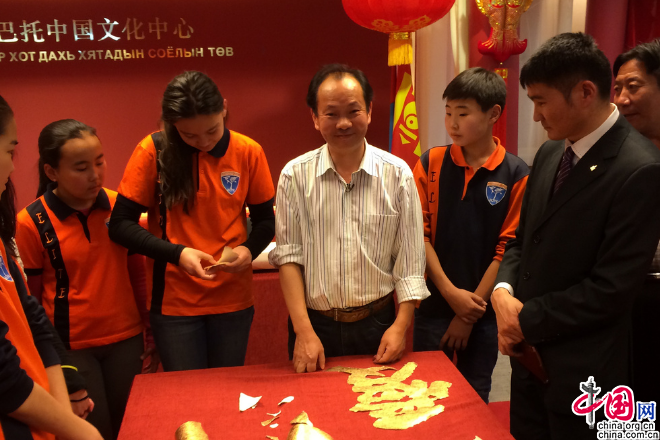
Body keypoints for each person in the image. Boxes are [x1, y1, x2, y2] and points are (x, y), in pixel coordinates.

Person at [491, 33, 660, 439]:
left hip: (586, 374)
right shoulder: (552, 152)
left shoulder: (640, 169)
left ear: (585, 92)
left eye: (541, 101)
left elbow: (611, 289)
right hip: (528, 362)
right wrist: (502, 289)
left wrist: (523, 318)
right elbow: (523, 239)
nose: (536, 116)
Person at [109, 71, 275, 372]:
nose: (204, 142)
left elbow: (265, 220)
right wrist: (178, 254)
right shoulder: (153, 150)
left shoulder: (248, 151)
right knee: (185, 392)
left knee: (227, 389)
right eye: (189, 135)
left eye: (212, 130)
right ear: (172, 125)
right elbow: (120, 225)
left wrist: (248, 250)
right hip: (174, 304)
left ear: (224, 108)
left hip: (232, 299)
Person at [268, 64, 429, 373]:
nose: (343, 123)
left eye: (353, 111)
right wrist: (303, 332)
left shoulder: (398, 175)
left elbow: (410, 260)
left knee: (379, 401)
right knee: (315, 402)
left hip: (378, 324)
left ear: (369, 111)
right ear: (315, 118)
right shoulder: (294, 176)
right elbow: (289, 258)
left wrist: (401, 326)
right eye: (331, 114)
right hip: (315, 325)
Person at [15, 119, 156, 440]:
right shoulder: (30, 222)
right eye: (81, 168)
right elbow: (31, 302)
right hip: (71, 348)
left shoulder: (120, 208)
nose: (95, 174)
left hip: (126, 339)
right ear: (52, 172)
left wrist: (150, 331)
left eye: (99, 162)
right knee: (93, 431)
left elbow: (138, 275)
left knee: (134, 427)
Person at [412, 67, 529, 403]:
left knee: (475, 396)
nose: (453, 123)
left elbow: (508, 249)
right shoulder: (431, 162)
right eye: (448, 112)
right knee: (423, 393)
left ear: (493, 114)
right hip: (433, 305)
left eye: (463, 114)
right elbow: (420, 236)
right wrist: (451, 296)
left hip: (484, 314)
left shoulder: (516, 173)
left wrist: (469, 313)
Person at [0, 95, 102, 440]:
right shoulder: (30, 222)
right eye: (10, 151)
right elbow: (5, 377)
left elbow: (31, 316)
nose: (13, 167)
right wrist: (73, 427)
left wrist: (60, 412)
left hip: (40, 404)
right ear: (52, 172)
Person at [613, 39, 660, 404]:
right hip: (623, 306)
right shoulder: (615, 156)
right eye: (617, 89)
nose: (621, 100)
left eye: (633, 86)